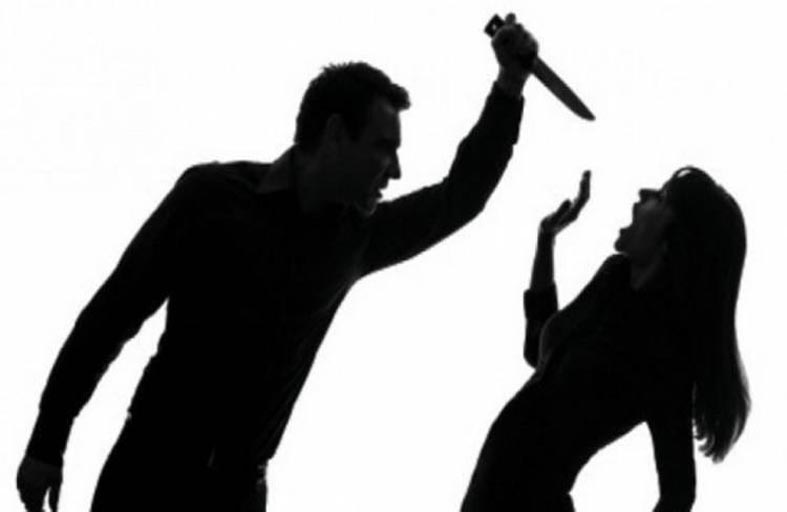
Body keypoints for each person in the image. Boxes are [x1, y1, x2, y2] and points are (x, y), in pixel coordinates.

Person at [17, 14, 539, 512]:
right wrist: (46, 443)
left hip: (238, 494)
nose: (396, 169)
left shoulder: (358, 238)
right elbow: (112, 315)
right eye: (384, 147)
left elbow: (460, 197)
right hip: (148, 475)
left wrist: (509, 86)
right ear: (335, 134)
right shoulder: (210, 197)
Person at [461, 167, 750, 511]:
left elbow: (679, 494)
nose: (643, 193)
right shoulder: (614, 278)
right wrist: (546, 240)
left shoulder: (664, 356)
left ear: (674, 238)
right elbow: (538, 350)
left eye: (660, 197)